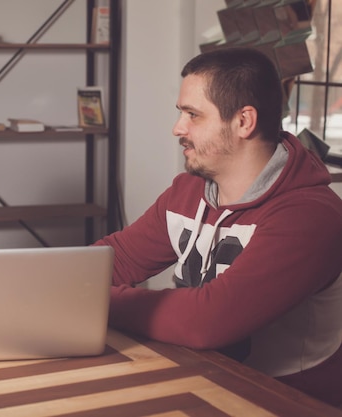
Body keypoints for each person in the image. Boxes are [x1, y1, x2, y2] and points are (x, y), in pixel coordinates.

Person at [93, 47, 342, 406]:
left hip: (285, 402)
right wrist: (50, 279)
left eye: (193, 115)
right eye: (181, 113)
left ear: (244, 121)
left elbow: (207, 320)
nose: (178, 128)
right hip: (202, 380)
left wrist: (94, 298)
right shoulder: (189, 189)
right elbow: (116, 261)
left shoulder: (309, 216)